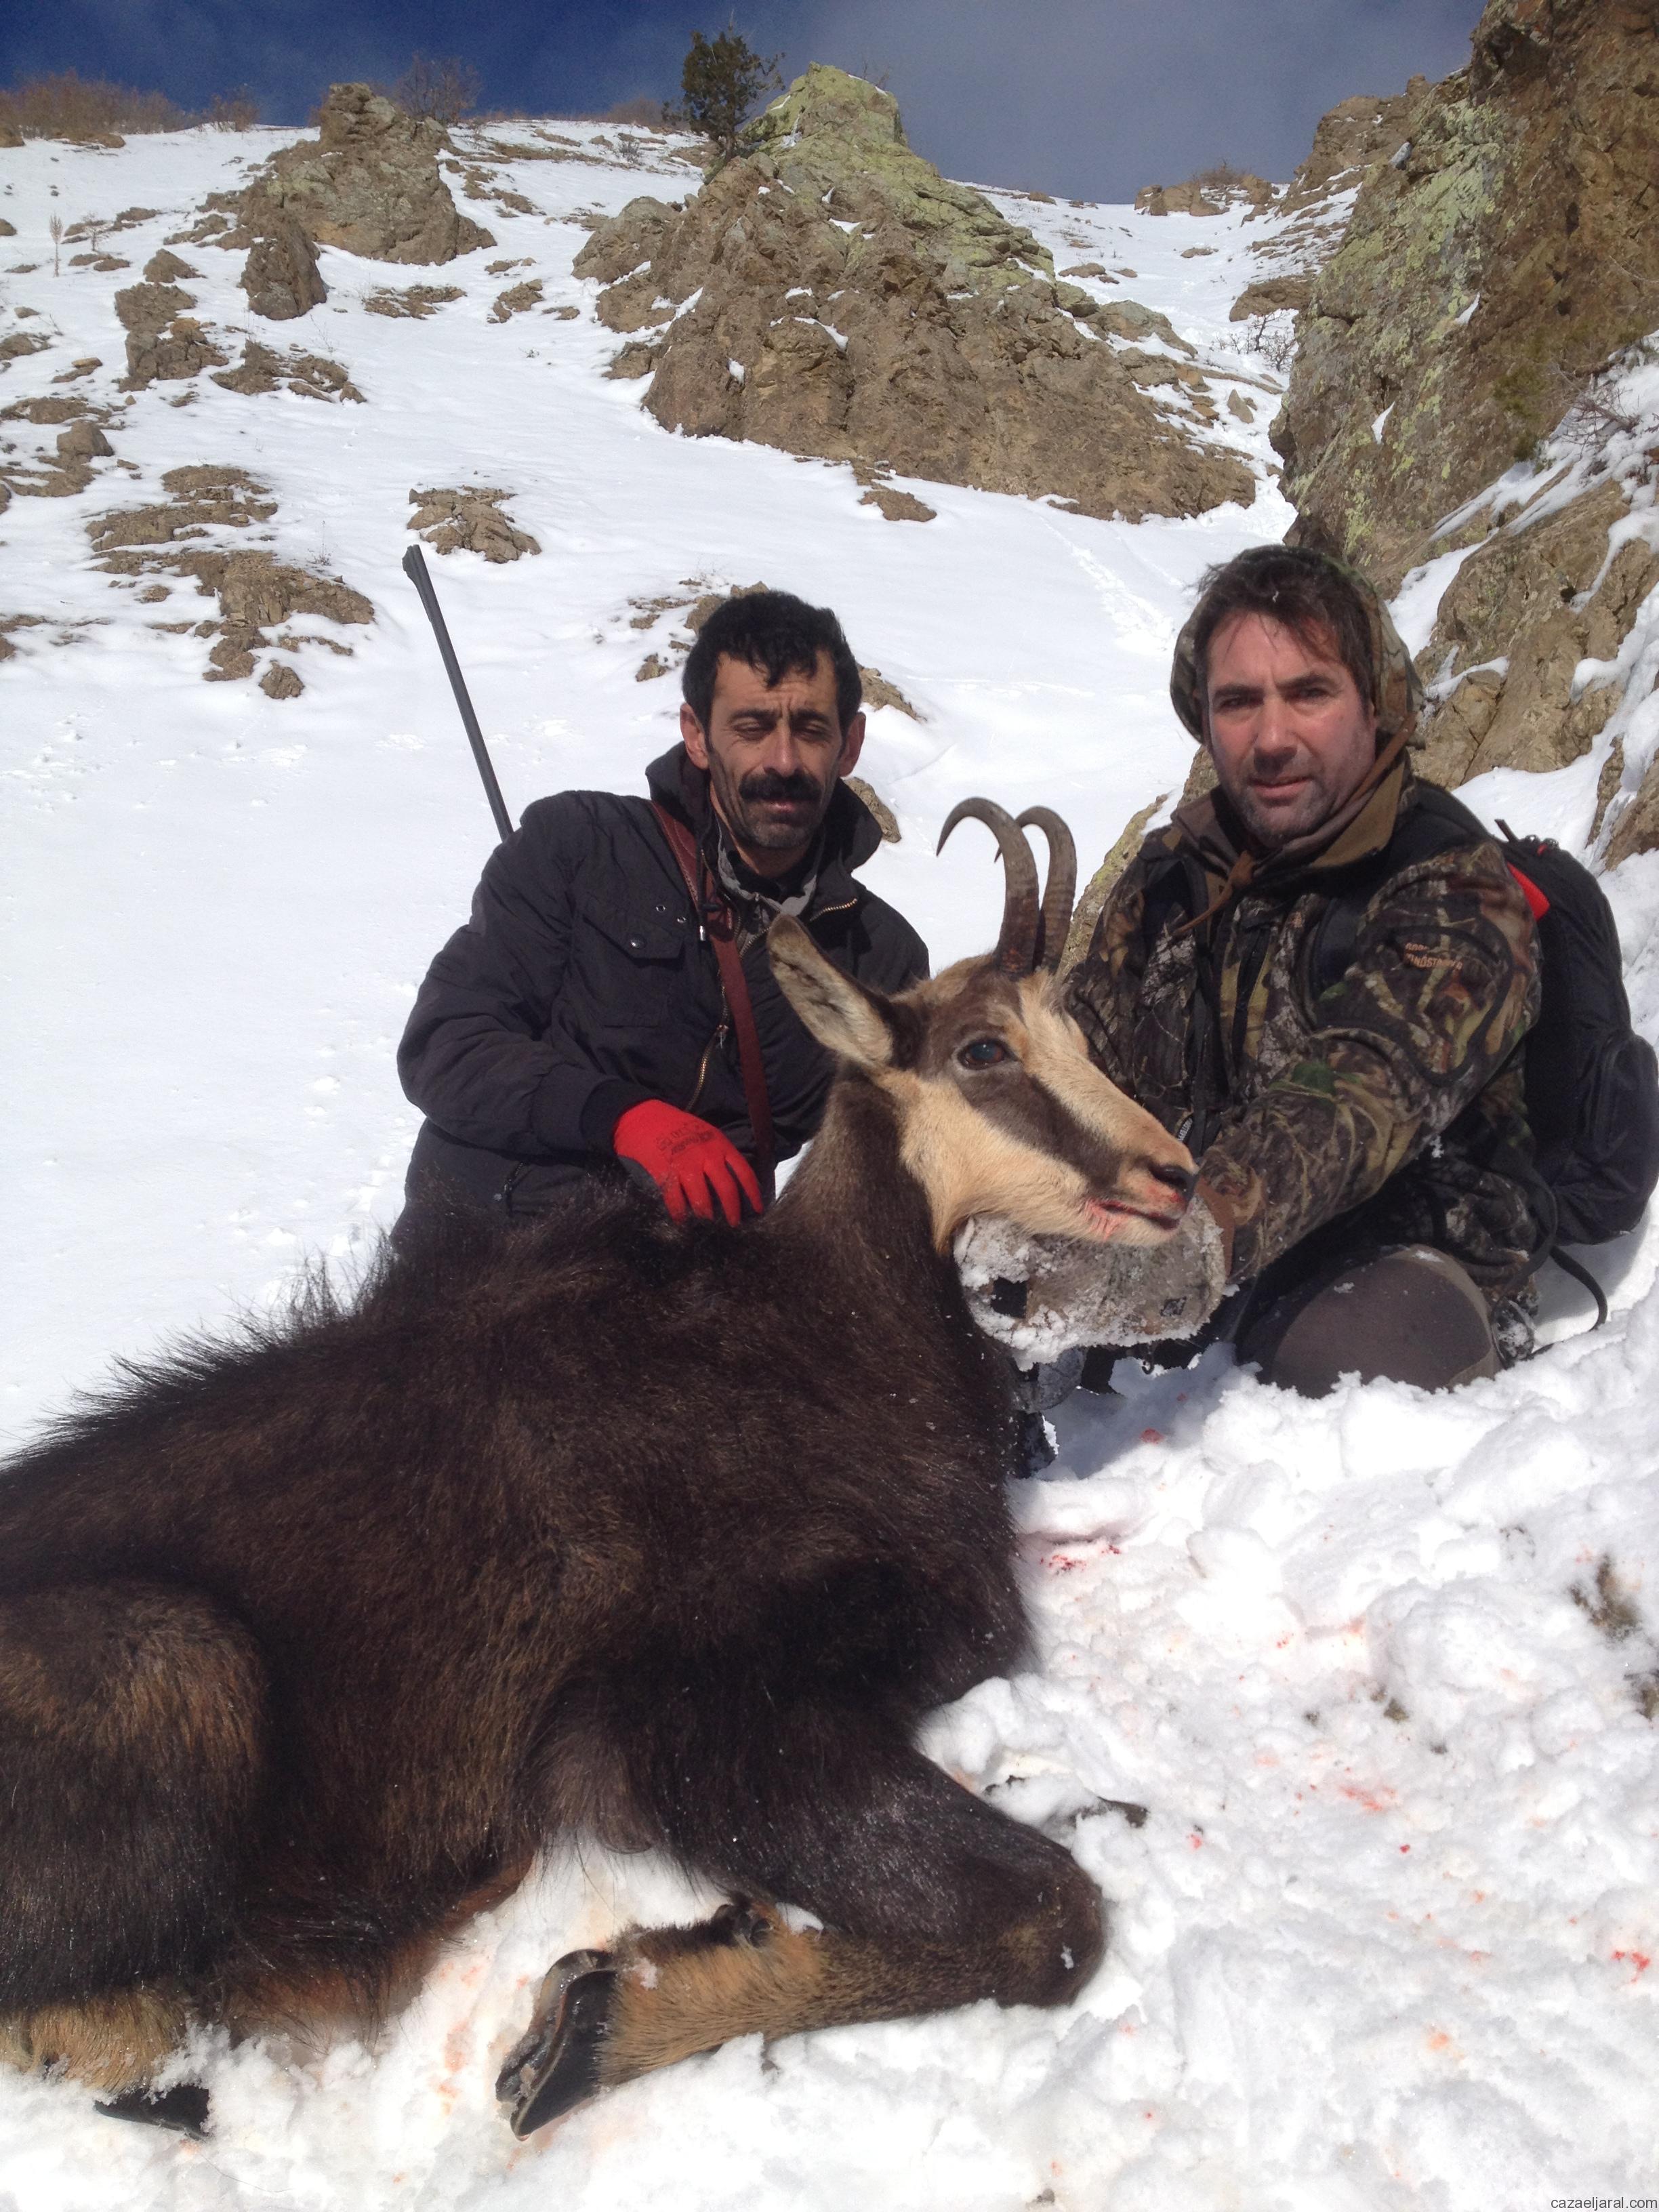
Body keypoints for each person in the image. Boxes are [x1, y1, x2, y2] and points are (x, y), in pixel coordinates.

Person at [1063, 544, 1547, 1397]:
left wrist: (1195, 1234)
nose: (1272, 738)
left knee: (1339, 1359)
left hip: (1398, 1266)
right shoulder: (1169, 879)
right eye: (1238, 702)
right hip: (1181, 1253)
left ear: (1376, 704)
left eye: (1309, 693)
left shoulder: (1454, 888)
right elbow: (1073, 1061)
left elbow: (1357, 1095)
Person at [398, 590, 928, 1226]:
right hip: (490, 1249)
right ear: (697, 736)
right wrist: (623, 1117)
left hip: (690, 1273)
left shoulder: (882, 956)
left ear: (850, 744)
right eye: (752, 727)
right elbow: (446, 1045)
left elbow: (901, 1154)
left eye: (811, 730)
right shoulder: (578, 847)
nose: (784, 761)